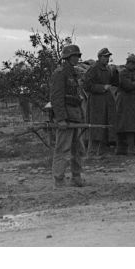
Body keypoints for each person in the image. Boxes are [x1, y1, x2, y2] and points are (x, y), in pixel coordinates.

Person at [50, 44, 86, 188]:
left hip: (75, 116)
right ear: (68, 57)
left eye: (78, 56)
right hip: (66, 117)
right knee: (63, 149)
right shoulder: (60, 73)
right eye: (75, 56)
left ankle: (76, 177)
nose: (78, 58)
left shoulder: (73, 74)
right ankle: (59, 179)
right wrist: (61, 119)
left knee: (78, 150)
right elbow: (56, 98)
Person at [83, 47, 117, 156]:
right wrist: (102, 87)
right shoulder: (93, 69)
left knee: (105, 126)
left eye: (108, 57)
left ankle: (102, 152)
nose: (107, 59)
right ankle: (92, 153)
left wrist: (116, 74)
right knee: (96, 127)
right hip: (96, 103)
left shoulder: (108, 70)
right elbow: (87, 86)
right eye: (105, 57)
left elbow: (115, 83)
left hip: (106, 102)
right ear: (99, 57)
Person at [115, 54, 135, 156]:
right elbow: (128, 86)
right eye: (134, 65)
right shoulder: (123, 73)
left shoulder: (130, 73)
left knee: (126, 123)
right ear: (130, 63)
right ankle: (128, 149)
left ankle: (123, 148)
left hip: (130, 100)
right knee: (126, 124)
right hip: (124, 100)